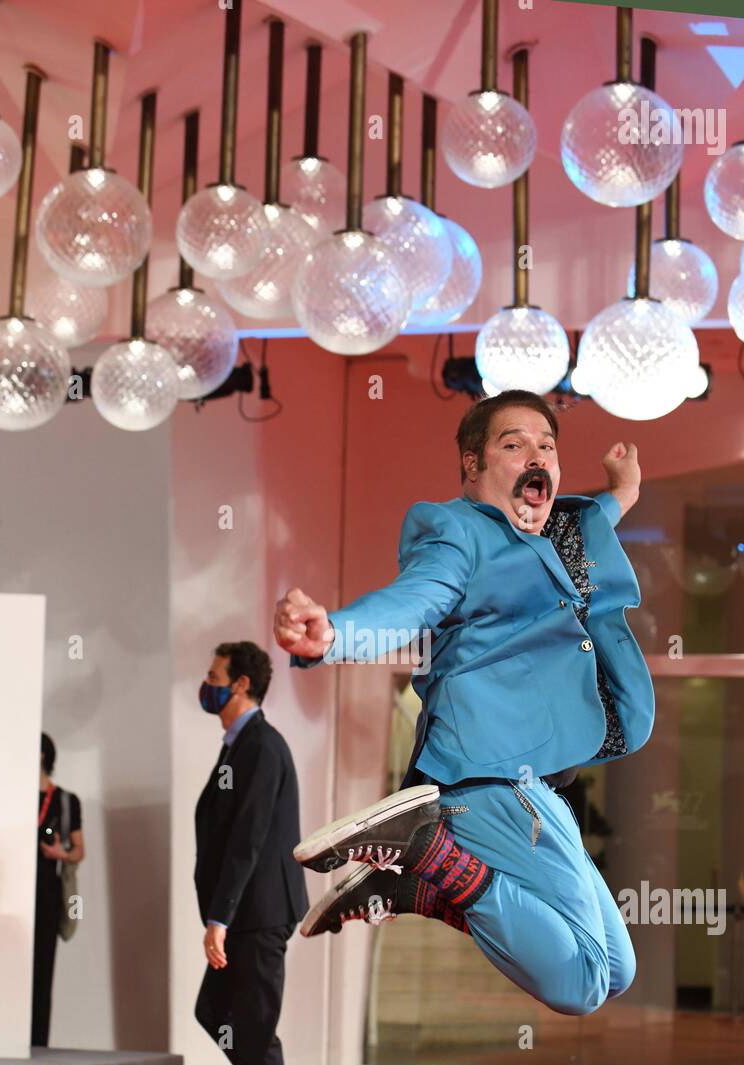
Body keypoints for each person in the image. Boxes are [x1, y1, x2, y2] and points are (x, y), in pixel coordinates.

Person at [274, 388, 655, 1020]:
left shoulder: (543, 535)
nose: (536, 454)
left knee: (617, 968)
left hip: (534, 783)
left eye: (547, 446)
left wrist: (623, 493)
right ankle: (427, 853)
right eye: (513, 444)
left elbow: (583, 529)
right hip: (488, 773)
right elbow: (414, 602)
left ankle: (418, 885)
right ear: (472, 468)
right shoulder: (456, 531)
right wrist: (335, 633)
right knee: (580, 984)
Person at [193, 641, 319, 1065]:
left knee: (254, 1026)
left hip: (258, 911)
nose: (207, 682)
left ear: (241, 684)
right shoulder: (239, 746)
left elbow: (248, 839)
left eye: (215, 674)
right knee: (214, 1012)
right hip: (248, 910)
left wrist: (219, 918)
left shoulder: (262, 746)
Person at [33, 732, 84, 1047]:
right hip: (13, 892)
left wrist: (60, 854)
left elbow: (80, 851)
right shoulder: (10, 794)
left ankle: (37, 1044)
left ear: (41, 755)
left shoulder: (66, 801)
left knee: (42, 972)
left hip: (49, 891)